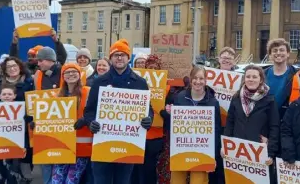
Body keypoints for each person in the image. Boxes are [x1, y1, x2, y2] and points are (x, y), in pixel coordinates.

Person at [84, 39, 154, 184]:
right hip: (103, 143)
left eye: (123, 55)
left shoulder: (139, 82)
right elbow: (89, 110)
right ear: (111, 59)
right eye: (116, 55)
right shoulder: (99, 82)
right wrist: (91, 123)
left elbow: (149, 109)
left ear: (129, 58)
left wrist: (148, 120)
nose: (119, 58)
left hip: (127, 145)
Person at [170, 65, 222, 184]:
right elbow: (173, 126)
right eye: (195, 78)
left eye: (201, 78)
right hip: (180, 150)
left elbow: (216, 130)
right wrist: (170, 113)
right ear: (191, 79)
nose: (198, 82)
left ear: (205, 80)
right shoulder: (180, 97)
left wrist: (212, 156)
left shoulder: (213, 102)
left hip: (202, 152)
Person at [224, 65, 279, 175]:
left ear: (261, 79)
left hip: (259, 151)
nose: (251, 79)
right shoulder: (236, 98)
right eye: (248, 76)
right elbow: (230, 123)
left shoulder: (269, 99)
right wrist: (225, 146)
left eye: (254, 77)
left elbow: (275, 127)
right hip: (238, 150)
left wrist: (271, 153)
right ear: (244, 79)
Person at [51, 63, 93, 184]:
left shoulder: (88, 92)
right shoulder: (56, 96)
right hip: (62, 146)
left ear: (79, 75)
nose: (71, 74)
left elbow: (95, 112)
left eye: (74, 72)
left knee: (71, 181)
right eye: (67, 72)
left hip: (82, 147)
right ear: (63, 76)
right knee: (56, 180)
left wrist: (86, 119)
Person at [0, 84, 30, 184]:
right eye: (4, 94)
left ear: (14, 96)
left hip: (16, 144)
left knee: (15, 170)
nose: (7, 96)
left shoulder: (22, 109)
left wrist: (28, 120)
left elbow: (27, 129)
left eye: (9, 94)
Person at [131, 54, 166, 184]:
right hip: (137, 133)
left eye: (155, 68)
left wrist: (165, 112)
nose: (152, 70)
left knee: (149, 170)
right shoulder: (136, 84)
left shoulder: (166, 87)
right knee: (135, 169)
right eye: (149, 67)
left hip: (155, 136)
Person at [33, 47, 63, 184]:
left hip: (61, 123)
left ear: (51, 60)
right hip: (43, 123)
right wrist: (33, 118)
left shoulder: (65, 72)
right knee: (45, 160)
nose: (38, 64)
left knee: (59, 158)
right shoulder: (38, 75)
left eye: (41, 60)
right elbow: (34, 98)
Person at [264, 38, 300, 119]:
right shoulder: (262, 75)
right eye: (275, 50)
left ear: (288, 53)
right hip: (266, 120)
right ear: (270, 55)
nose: (278, 53)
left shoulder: (299, 75)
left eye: (281, 50)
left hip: (288, 120)